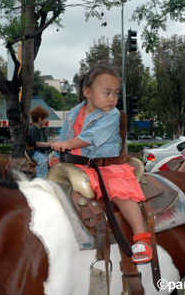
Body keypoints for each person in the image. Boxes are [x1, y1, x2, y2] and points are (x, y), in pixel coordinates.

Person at [50, 64, 152, 264]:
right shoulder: (72, 114)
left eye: (115, 93)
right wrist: (56, 154)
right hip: (80, 166)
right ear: (87, 92)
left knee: (119, 192)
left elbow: (90, 137)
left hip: (107, 166)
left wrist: (66, 145)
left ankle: (141, 237)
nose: (112, 99)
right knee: (52, 186)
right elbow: (65, 135)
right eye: (106, 93)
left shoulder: (111, 115)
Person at [26, 106, 53, 178]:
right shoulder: (33, 129)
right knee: (43, 162)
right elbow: (38, 144)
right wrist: (52, 144)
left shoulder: (40, 129)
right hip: (35, 152)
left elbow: (45, 141)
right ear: (40, 118)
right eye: (45, 118)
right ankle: (41, 181)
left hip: (42, 151)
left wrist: (56, 143)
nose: (46, 120)